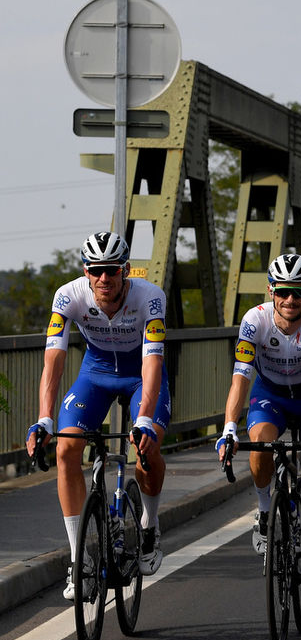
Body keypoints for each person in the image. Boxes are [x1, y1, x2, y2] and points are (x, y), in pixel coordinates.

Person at [28, 232, 170, 599]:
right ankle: (80, 560)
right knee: (65, 450)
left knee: (148, 447)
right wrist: (45, 418)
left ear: (125, 270)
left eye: (111, 270)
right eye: (96, 271)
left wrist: (144, 419)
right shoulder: (68, 295)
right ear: (86, 272)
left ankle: (150, 526)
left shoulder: (150, 297)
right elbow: (53, 361)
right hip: (96, 373)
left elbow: (153, 362)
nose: (104, 279)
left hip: (141, 373)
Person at [216, 253, 301, 617]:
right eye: (283, 292)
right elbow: (241, 377)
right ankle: (265, 510)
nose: (290, 300)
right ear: (271, 291)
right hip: (269, 397)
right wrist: (228, 428)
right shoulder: (254, 321)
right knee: (261, 449)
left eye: (298, 293)